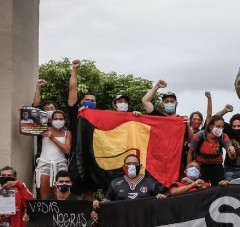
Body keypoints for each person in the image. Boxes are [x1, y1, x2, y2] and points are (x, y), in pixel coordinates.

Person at [66, 59, 97, 200]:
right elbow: (72, 90)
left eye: (93, 100)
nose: (90, 101)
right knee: (74, 192)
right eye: (87, 99)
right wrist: (74, 70)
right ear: (82, 101)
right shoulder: (76, 115)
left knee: (89, 192)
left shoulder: (100, 118)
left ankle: (89, 220)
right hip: (76, 158)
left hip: (93, 158)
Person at [187, 115, 236, 184]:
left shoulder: (223, 136)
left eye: (222, 127)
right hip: (201, 166)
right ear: (211, 126)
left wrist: (233, 153)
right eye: (218, 126)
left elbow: (231, 156)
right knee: (201, 187)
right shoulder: (199, 135)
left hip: (217, 166)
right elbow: (190, 152)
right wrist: (189, 168)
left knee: (219, 187)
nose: (220, 129)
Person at [101, 154, 168, 202]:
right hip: (122, 220)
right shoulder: (115, 183)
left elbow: (159, 203)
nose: (132, 166)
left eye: (135, 163)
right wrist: (98, 204)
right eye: (129, 163)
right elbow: (106, 203)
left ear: (140, 166)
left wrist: (162, 198)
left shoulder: (151, 183)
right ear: (124, 167)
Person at [36, 109, 72, 199]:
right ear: (51, 120)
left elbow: (67, 150)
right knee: (45, 196)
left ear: (64, 120)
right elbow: (26, 129)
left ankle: (61, 213)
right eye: (55, 119)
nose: (58, 121)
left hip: (60, 164)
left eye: (60, 119)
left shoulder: (67, 133)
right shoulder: (44, 130)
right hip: (45, 164)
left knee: (61, 195)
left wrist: (53, 138)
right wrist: (25, 112)